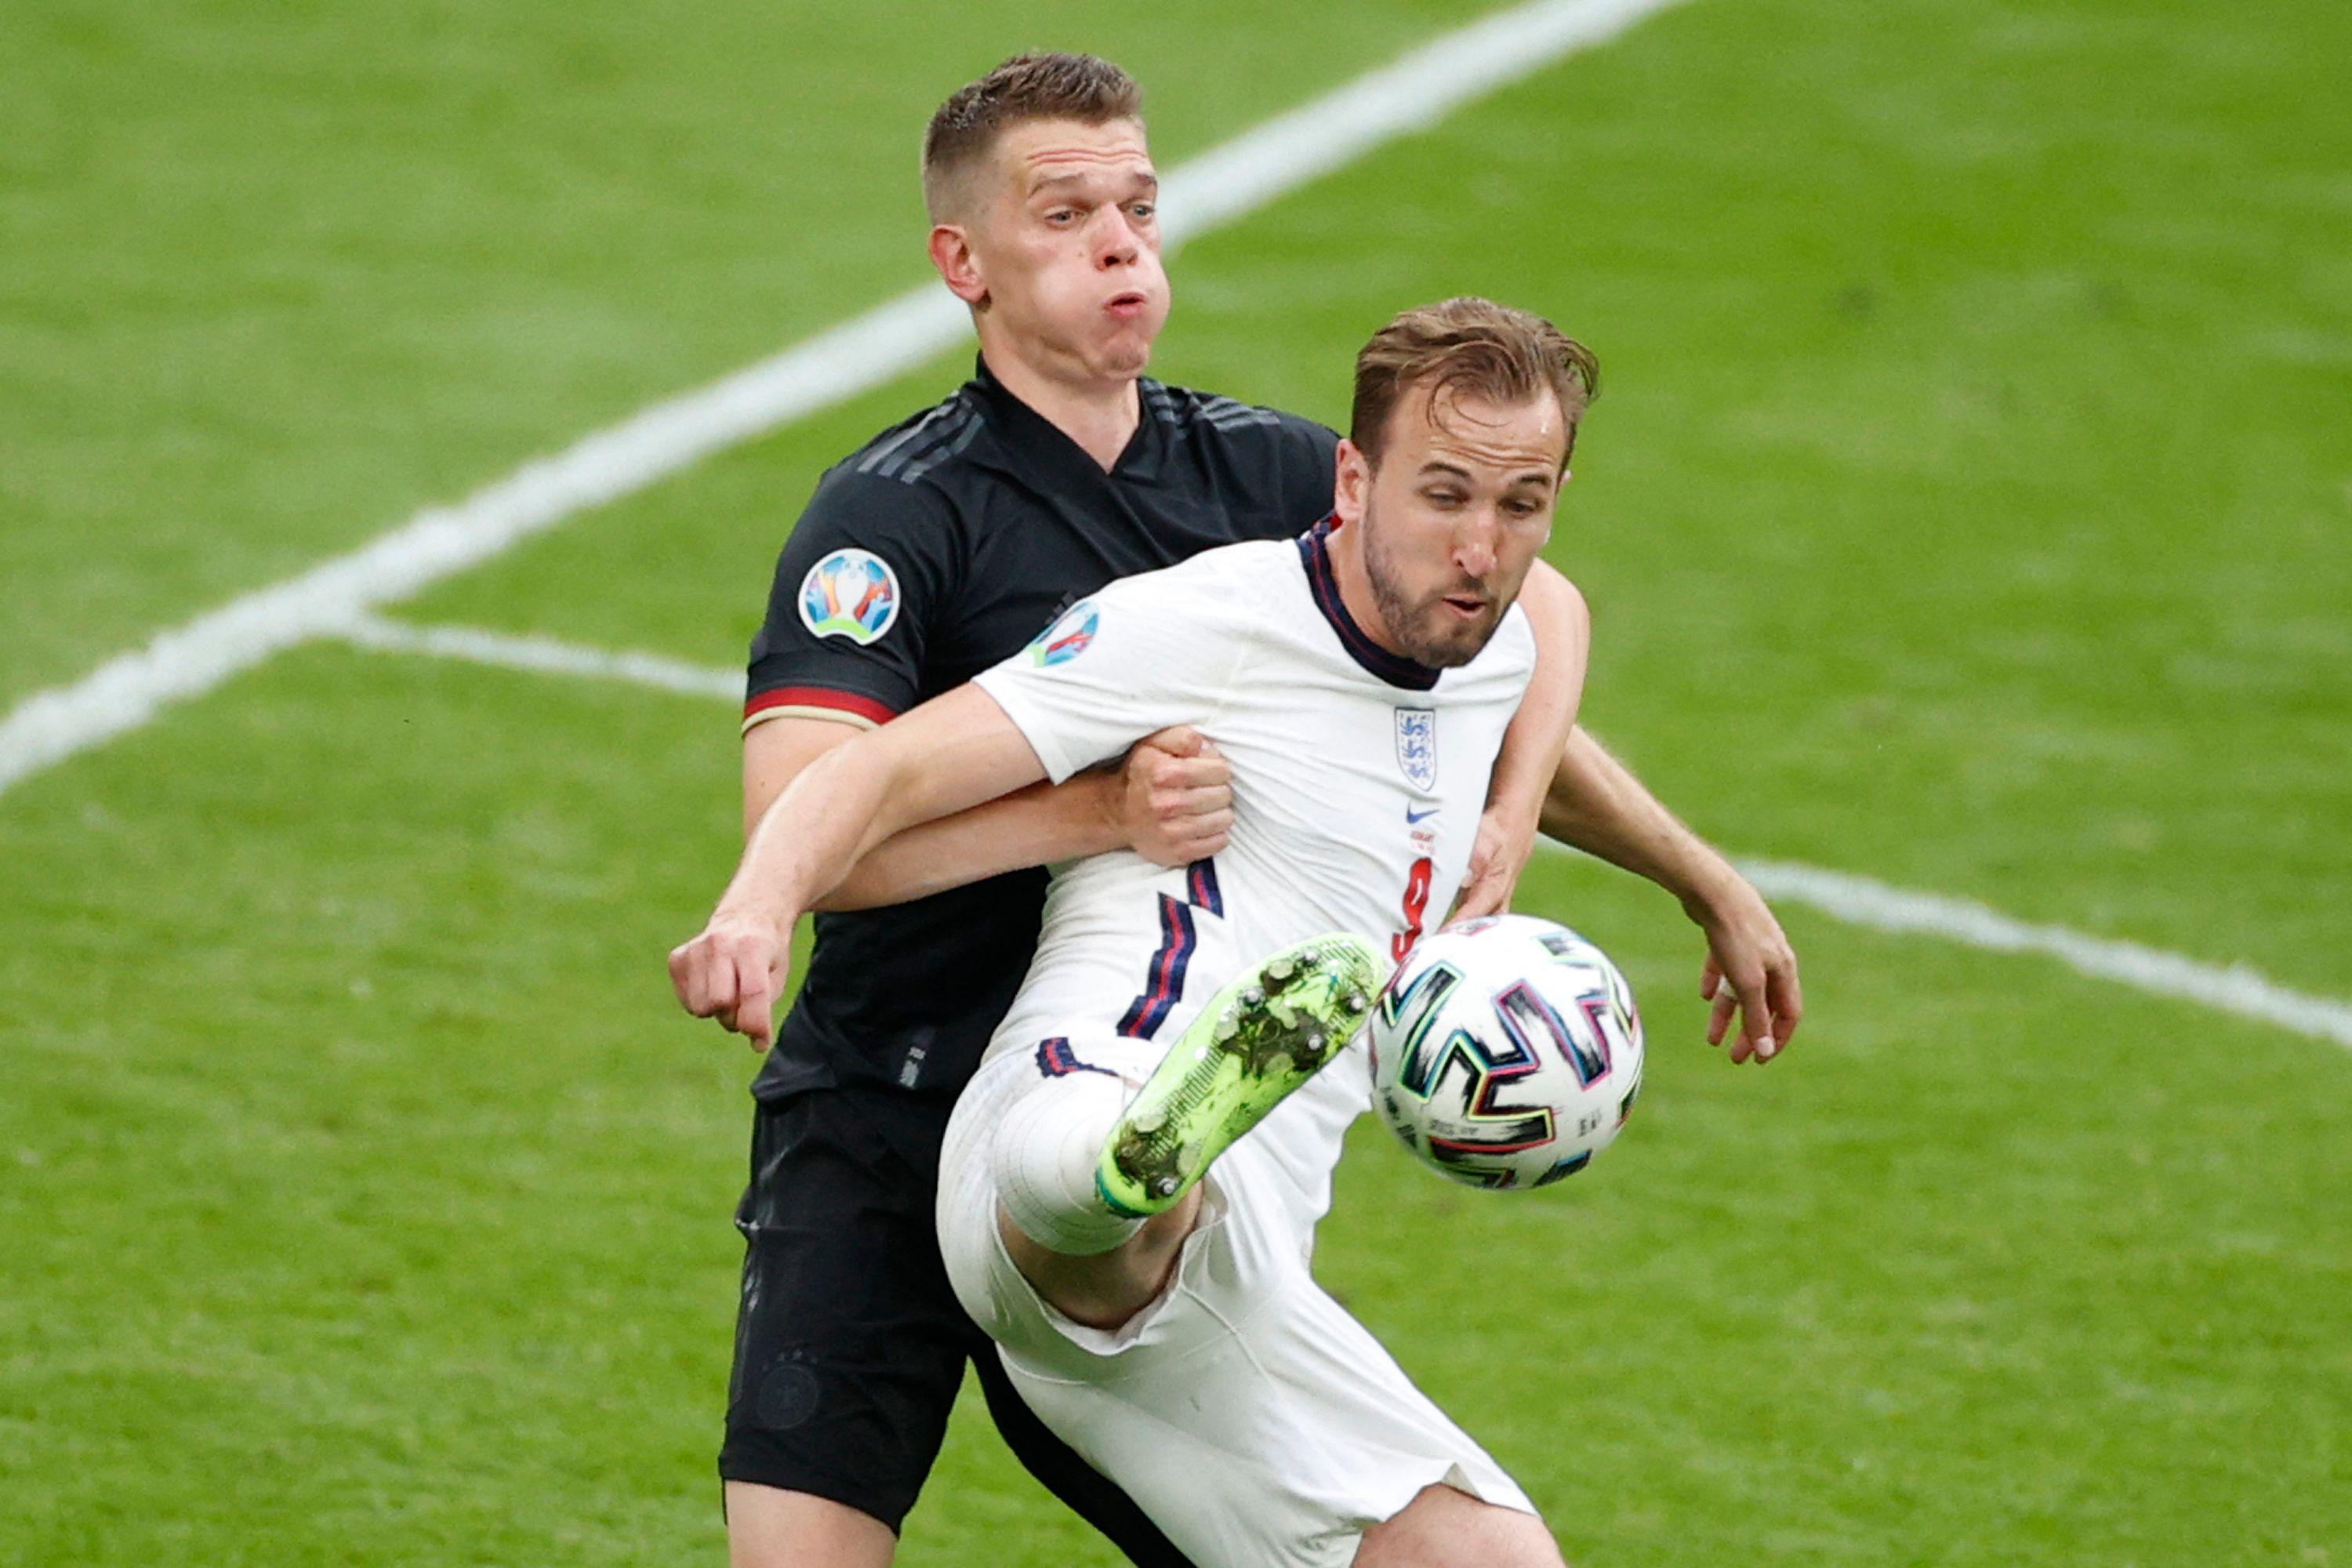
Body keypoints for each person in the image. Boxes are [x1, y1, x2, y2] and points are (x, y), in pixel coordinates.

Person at [714, 50, 1800, 1568]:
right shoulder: (896, 514)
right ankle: (1124, 1169)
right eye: (1070, 213)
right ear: (963, 261)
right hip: (907, 1099)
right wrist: (1090, 812)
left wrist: (1628, 846)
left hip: (1172, 1079)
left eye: (1141, 209)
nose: (1120, 245)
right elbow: (812, 813)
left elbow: (1516, 610)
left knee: (1223, 1433)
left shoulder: (1276, 474)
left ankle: (1145, 1176)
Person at [678, 297, 1599, 1567]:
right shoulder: (1205, 622)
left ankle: (1159, 1186)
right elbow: (878, 774)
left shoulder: (1487, 637)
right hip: (1051, 1117)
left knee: (1498, 1562)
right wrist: (756, 906)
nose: (1482, 549)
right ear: (1353, 478)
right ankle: (1134, 1166)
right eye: (1445, 497)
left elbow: (1559, 624)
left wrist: (1579, 827)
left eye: (1522, 505)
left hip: (1245, 1278)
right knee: (1106, 1196)